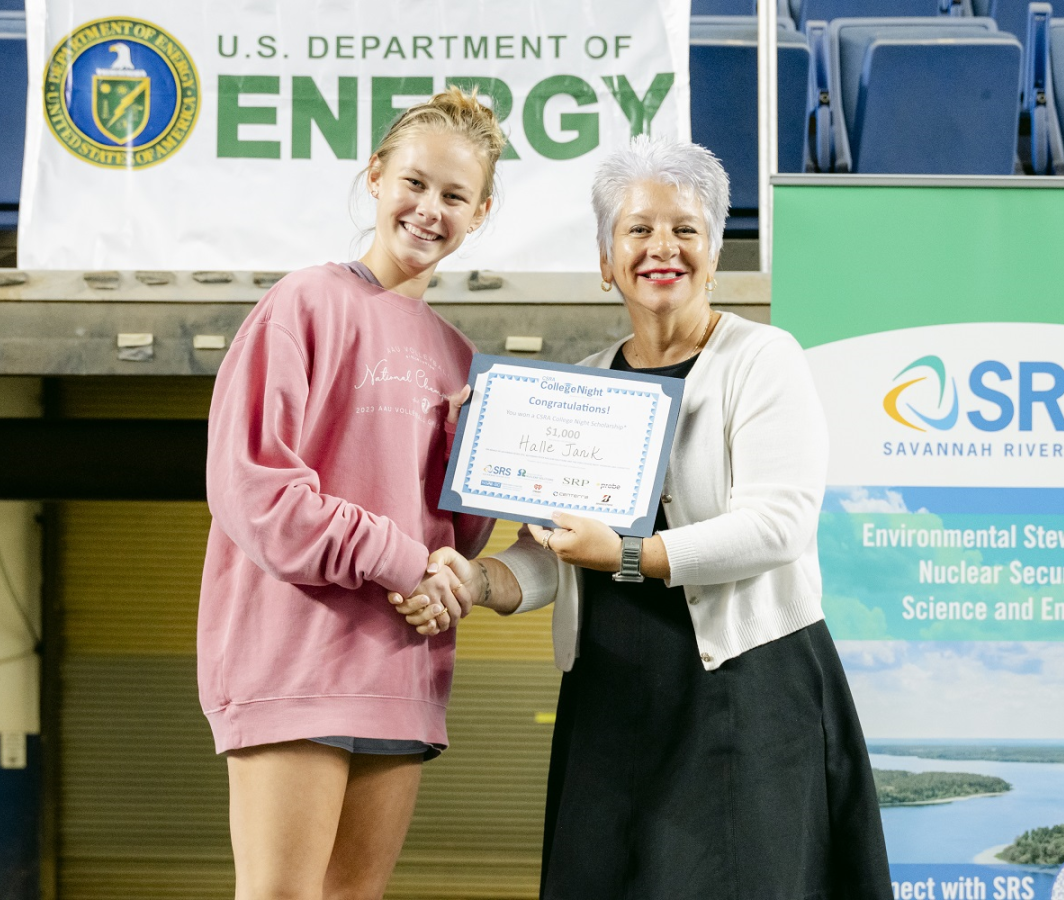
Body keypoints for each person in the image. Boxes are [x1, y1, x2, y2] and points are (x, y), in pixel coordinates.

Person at [392, 136, 893, 899]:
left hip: (749, 697)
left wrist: (632, 555)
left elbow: (778, 525)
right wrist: (479, 578)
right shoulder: (584, 385)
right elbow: (553, 554)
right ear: (604, 259)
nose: (663, 247)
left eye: (685, 229)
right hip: (613, 701)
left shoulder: (764, 358)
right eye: (638, 230)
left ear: (715, 251)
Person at [198, 87, 502, 900]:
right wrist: (407, 561)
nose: (429, 209)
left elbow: (455, 540)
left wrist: (450, 553)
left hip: (401, 669)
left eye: (454, 196)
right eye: (414, 182)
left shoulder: (459, 355)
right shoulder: (302, 303)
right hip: (295, 658)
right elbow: (255, 492)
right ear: (375, 177)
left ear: (481, 212)